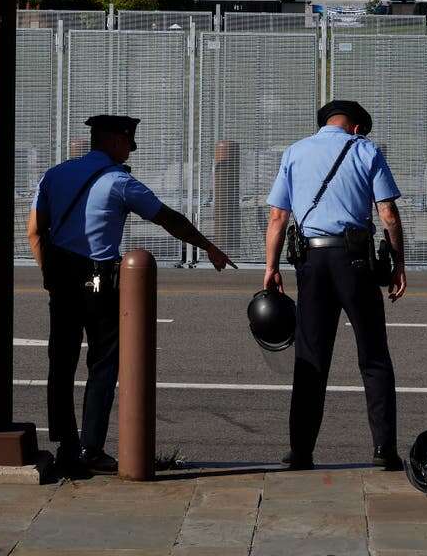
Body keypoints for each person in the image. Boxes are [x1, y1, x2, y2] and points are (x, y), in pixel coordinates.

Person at [27, 114, 236, 477]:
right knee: (103, 363)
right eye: (127, 143)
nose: (129, 151)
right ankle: (92, 447)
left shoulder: (54, 175)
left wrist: (49, 276)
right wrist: (209, 248)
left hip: (61, 277)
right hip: (100, 280)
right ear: (113, 142)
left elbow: (34, 230)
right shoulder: (119, 183)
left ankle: (66, 444)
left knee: (60, 363)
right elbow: (169, 219)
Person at [264, 100, 407, 471]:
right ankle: (383, 449)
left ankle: (301, 451)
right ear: (357, 128)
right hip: (355, 262)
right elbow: (387, 213)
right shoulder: (365, 150)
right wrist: (399, 263)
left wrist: (271, 267)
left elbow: (278, 216)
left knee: (310, 357)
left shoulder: (295, 152)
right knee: (374, 356)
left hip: (310, 263)